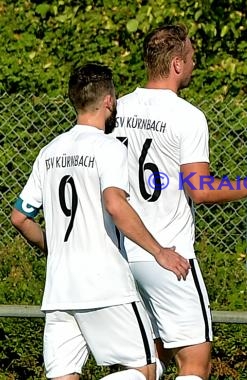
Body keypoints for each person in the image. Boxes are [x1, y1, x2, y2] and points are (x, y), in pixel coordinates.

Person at [111, 24, 247, 380]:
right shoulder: (187, 116)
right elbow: (200, 190)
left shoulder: (116, 109)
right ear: (175, 64)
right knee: (194, 363)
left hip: (123, 252)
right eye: (191, 58)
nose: (194, 64)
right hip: (169, 254)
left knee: (146, 363)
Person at [10, 63, 191, 380]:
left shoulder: (50, 151)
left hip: (60, 288)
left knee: (63, 376)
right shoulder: (109, 148)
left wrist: (53, 248)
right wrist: (159, 251)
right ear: (109, 100)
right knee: (145, 370)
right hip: (105, 285)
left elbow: (20, 216)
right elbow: (114, 204)